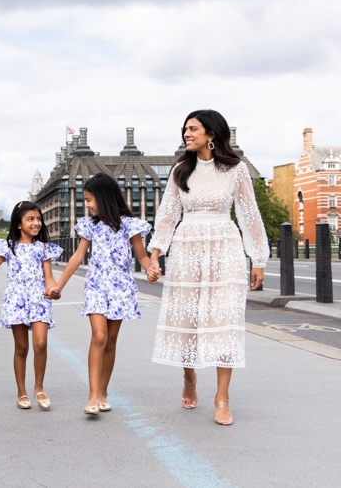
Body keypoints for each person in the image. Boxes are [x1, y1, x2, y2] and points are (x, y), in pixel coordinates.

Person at [148, 109, 267, 426]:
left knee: (223, 319)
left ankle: (222, 397)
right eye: (185, 129)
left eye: (193, 129)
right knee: (186, 318)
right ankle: (189, 377)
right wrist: (155, 254)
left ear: (211, 134)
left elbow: (248, 214)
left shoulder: (236, 170)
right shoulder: (179, 171)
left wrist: (258, 259)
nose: (187, 134)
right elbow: (167, 215)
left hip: (225, 247)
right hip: (187, 247)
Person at [48, 173, 156, 415]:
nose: (87, 205)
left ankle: (104, 391)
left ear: (104, 197)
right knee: (99, 336)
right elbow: (77, 256)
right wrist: (59, 285)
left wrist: (152, 268)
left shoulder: (130, 225)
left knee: (111, 341)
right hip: (97, 284)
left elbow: (142, 256)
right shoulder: (90, 225)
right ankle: (92, 394)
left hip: (121, 287)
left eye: (89, 199)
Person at [0, 201, 62, 410]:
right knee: (21, 347)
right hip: (16, 299)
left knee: (41, 342)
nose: (36, 223)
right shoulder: (9, 246)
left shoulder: (43, 248)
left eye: (38, 219)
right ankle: (22, 392)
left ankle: (39, 387)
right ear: (19, 224)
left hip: (38, 298)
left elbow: (49, 277)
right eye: (30, 219)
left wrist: (55, 290)